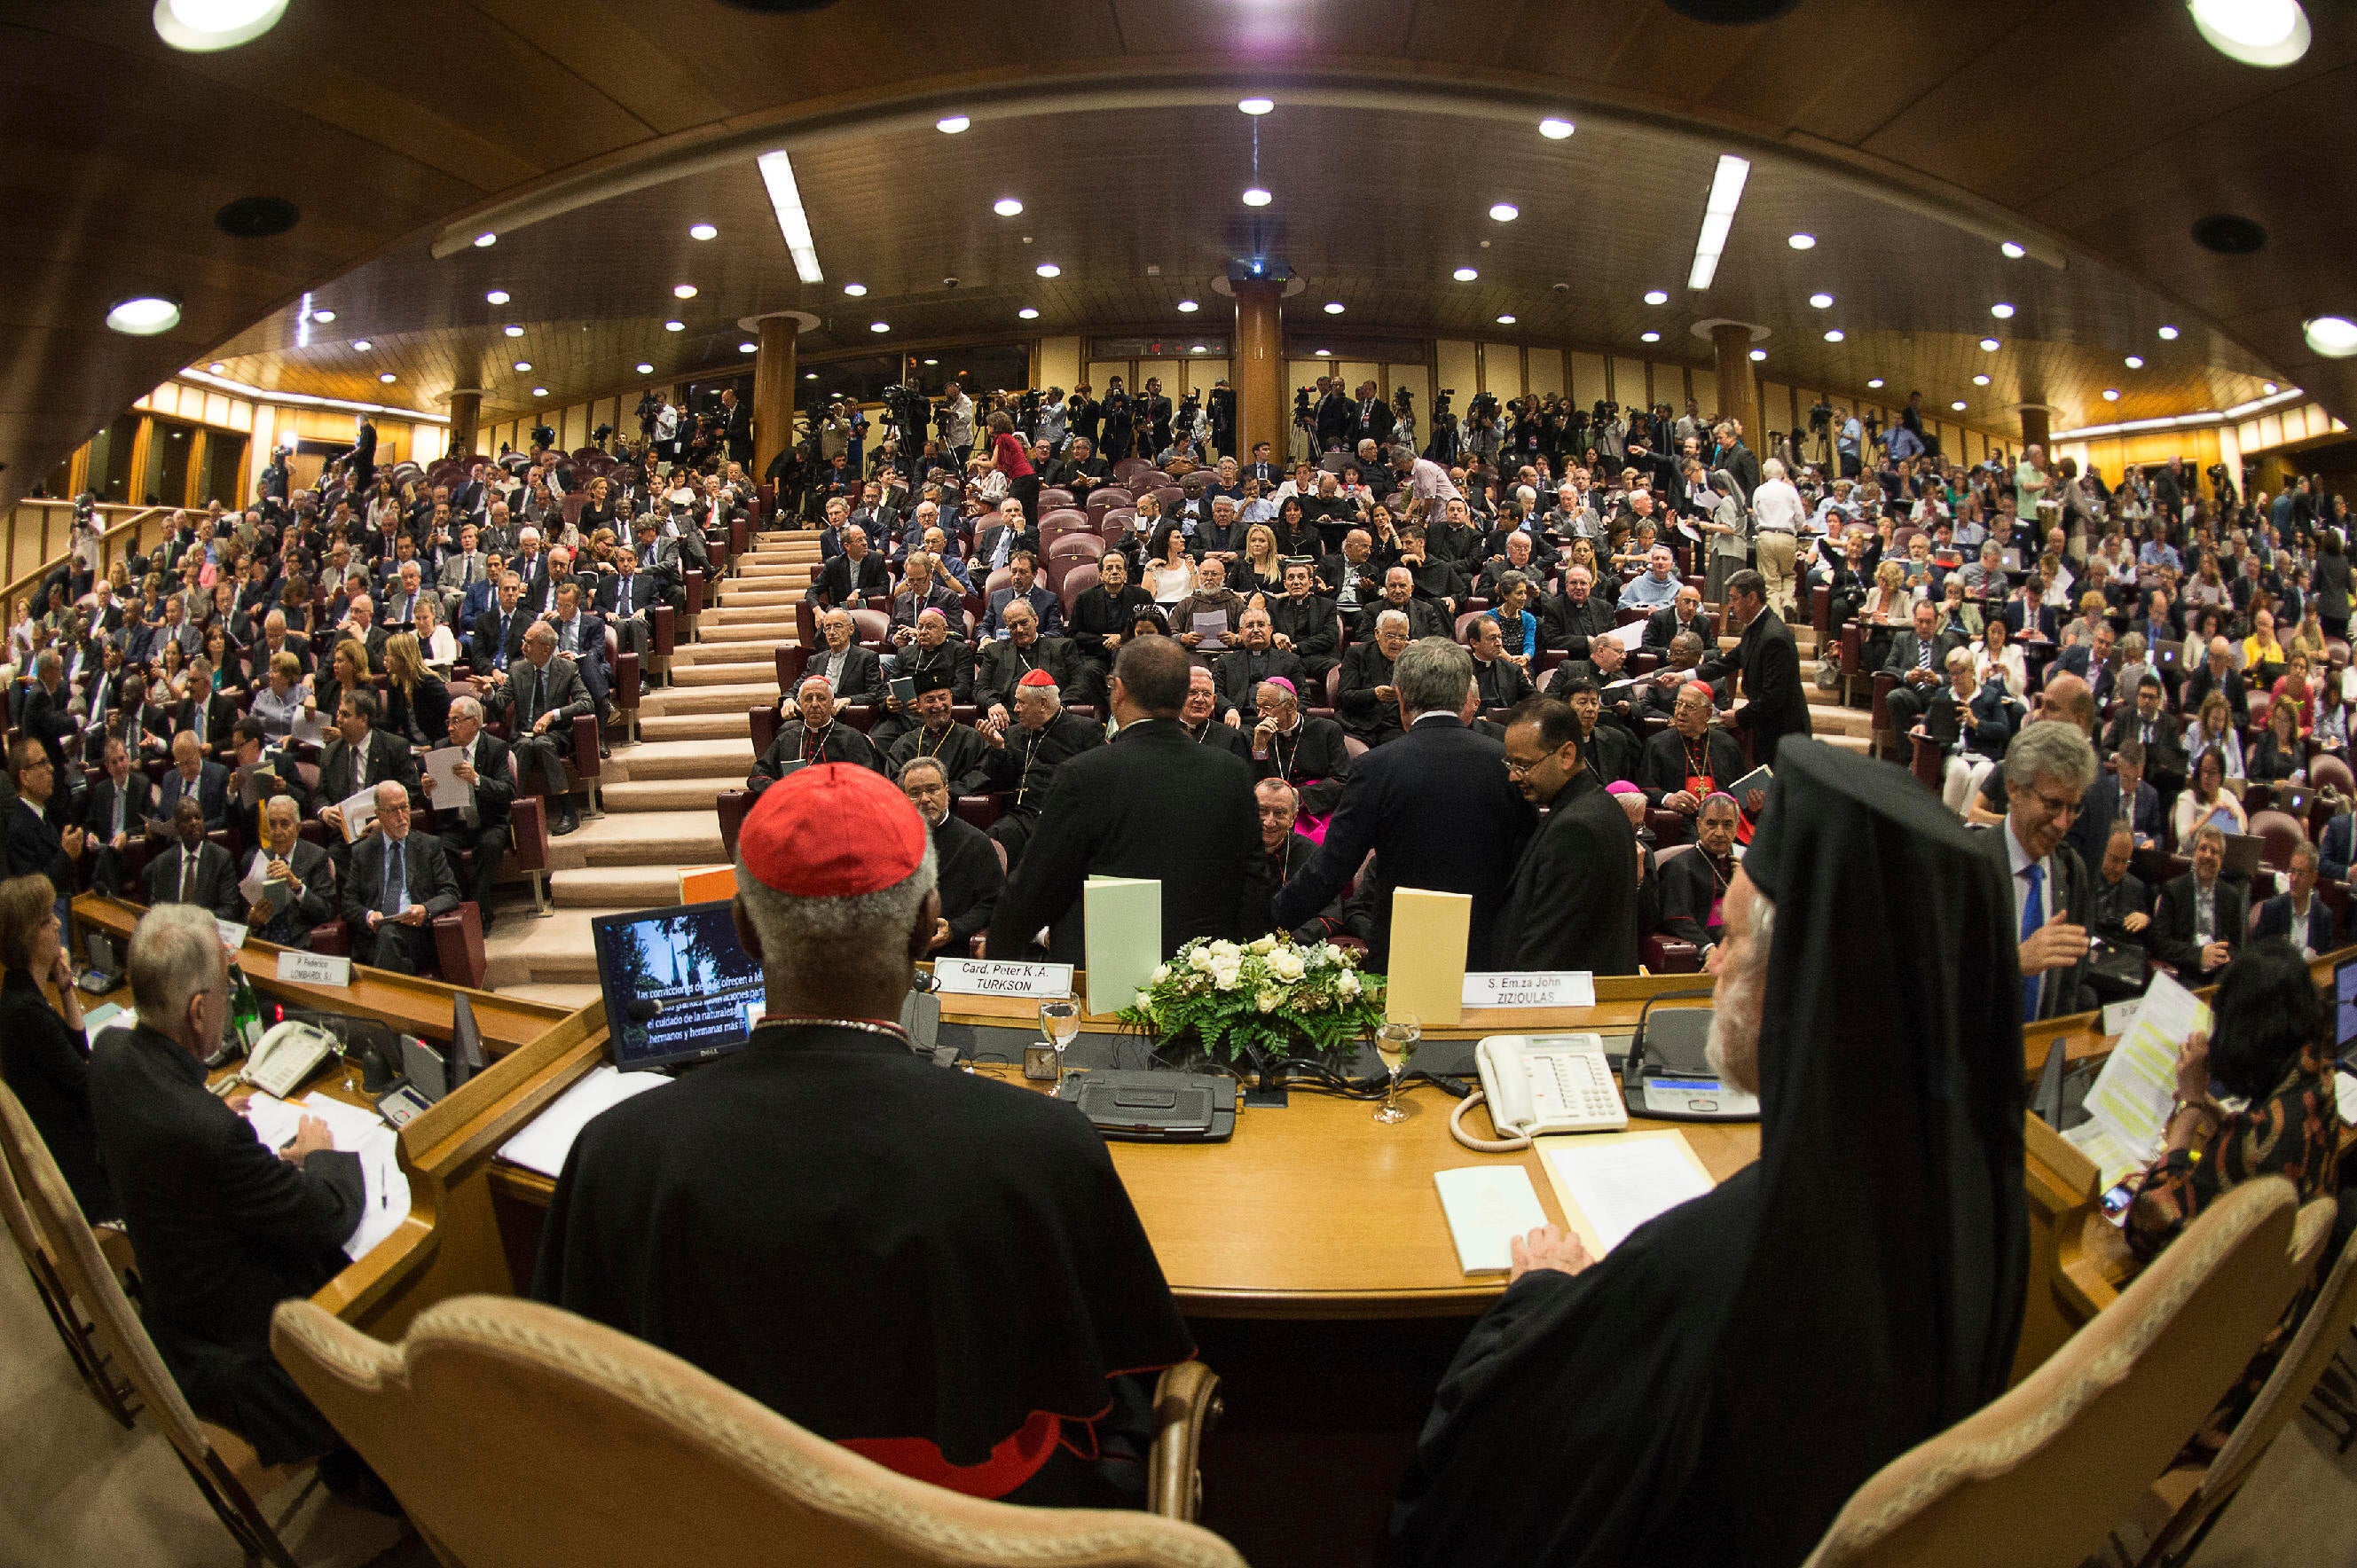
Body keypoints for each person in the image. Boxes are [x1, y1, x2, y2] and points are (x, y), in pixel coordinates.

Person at [1391, 740, 2028, 1568]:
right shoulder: (1981, 1198)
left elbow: (1498, 1463)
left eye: (1730, 939)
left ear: (1800, 983)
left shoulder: (1720, 1261)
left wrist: (1540, 1295)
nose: (1714, 963)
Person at [532, 763, 1191, 1507]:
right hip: (976, 1527)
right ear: (926, 921)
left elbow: (579, 1394)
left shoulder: (616, 1150)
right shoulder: (1046, 1145)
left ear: (742, 930)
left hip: (715, 1516)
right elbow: (1102, 1367)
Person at [88, 904, 389, 1502]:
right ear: (199, 1012)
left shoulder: (111, 1054)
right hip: (245, 1363)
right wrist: (319, 1152)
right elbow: (327, 1217)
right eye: (225, 991)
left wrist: (207, 1114)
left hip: (176, 1315)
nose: (228, 1004)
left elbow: (167, 1131)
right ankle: (380, 1470)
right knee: (373, 1281)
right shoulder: (208, 1133)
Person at [2125, 938, 2342, 1457]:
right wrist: (2220, 1115)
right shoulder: (2318, 1077)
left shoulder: (2260, 1139)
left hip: (2213, 1379)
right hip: (2269, 1323)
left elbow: (2149, 1223)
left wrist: (2190, 1106)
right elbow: (2257, 1141)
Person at [987, 638, 1259, 962]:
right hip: (1203, 970)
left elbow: (1037, 886)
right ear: (1180, 696)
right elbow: (1254, 885)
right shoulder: (1232, 773)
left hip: (1104, 965)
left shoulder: (1083, 774)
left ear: (1119, 692)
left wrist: (997, 957)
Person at [1274, 639, 1532, 970]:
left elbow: (1333, 866)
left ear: (1402, 696)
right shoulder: (1506, 762)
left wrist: (1274, 917)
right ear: (1464, 696)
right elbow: (1528, 857)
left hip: (1405, 949)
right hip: (1490, 946)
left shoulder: (1375, 767)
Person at [1495, 698, 1638, 974]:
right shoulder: (1596, 805)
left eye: (1523, 765)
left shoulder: (1576, 829)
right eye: (1510, 764)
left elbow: (1548, 948)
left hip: (1564, 995)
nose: (1513, 776)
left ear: (1566, 755)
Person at [0, 873, 114, 1221]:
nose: (58, 924)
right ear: (28, 937)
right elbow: (85, 1083)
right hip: (77, 1172)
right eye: (48, 919)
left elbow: (78, 1051)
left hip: (69, 1147)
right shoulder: (25, 1012)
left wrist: (66, 989)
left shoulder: (23, 994)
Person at [1981, 720, 2098, 1023]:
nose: (2063, 823)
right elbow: (1941, 980)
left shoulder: (2072, 871)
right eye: (2053, 805)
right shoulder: (1970, 863)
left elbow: (2068, 989)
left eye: (2073, 808)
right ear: (2014, 789)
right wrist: (2015, 962)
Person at [1681, 569, 1810, 764]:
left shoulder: (1774, 637)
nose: (1731, 605)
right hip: (1768, 727)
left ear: (1751, 598)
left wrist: (1739, 717)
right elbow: (1730, 661)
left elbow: (1774, 696)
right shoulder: (1756, 626)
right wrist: (1684, 676)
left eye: (1734, 598)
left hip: (1784, 733)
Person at [483, 622, 593, 835]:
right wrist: (488, 693)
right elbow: (499, 704)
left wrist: (553, 715)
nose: (523, 646)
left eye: (529, 642)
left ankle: (568, 811)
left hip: (556, 734)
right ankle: (512, 810)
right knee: (524, 746)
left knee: (542, 743)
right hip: (524, 734)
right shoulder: (517, 669)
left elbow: (586, 703)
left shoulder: (567, 669)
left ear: (545, 648)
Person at [342, 781, 462, 975]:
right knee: (387, 936)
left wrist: (425, 909)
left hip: (416, 935)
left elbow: (451, 893)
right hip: (375, 937)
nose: (401, 816)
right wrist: (368, 915)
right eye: (392, 810)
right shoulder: (363, 852)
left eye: (404, 808)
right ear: (378, 814)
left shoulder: (429, 846)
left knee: (389, 937)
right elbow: (348, 902)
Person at [896, 757, 1002, 956]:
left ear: (947, 791)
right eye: (915, 793)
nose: (925, 799)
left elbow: (992, 903)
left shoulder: (976, 842)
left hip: (952, 951)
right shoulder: (890, 843)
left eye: (932, 789)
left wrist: (954, 930)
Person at [2152, 822, 2249, 985]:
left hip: (2219, 971)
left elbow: (2237, 947)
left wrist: (2224, 955)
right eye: (2203, 848)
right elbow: (2161, 944)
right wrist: (2200, 955)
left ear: (2221, 860)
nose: (2208, 856)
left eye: (2214, 851)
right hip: (2184, 968)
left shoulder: (2231, 895)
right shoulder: (2173, 890)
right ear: (2194, 853)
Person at [243, 794, 338, 949]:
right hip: (264, 945)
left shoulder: (317, 857)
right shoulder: (256, 859)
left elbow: (326, 912)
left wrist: (296, 885)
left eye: (284, 824)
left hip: (301, 945)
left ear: (298, 828)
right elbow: (245, 915)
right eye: (272, 824)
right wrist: (253, 921)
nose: (277, 831)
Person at [1656, 792, 1740, 959]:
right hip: (1704, 954)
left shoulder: (1740, 867)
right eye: (1711, 824)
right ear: (1699, 825)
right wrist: (1708, 949)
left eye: (1727, 824)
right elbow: (1677, 918)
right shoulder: (1679, 867)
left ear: (1737, 826)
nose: (1719, 833)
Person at [145, 796, 243, 921]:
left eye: (198, 818)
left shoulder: (221, 859)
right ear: (177, 827)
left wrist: (194, 921)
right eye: (187, 819)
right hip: (173, 928)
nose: (194, 823)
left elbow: (229, 909)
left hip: (205, 928)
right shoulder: (163, 862)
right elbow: (155, 908)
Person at [7, 735, 84, 889]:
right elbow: (36, 890)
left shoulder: (40, 813)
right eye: (42, 763)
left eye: (48, 762)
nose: (51, 768)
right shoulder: (19, 828)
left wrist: (65, 849)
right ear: (24, 777)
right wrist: (65, 854)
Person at [2252, 842, 2337, 958]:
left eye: (2301, 874)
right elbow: (2258, 955)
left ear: (2314, 877)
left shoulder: (2323, 916)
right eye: (2292, 871)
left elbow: (2327, 959)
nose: (2294, 879)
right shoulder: (2272, 909)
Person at [2172, 747, 2247, 844]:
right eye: (2204, 771)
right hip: (2192, 852)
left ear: (2221, 775)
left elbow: (2244, 830)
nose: (2206, 776)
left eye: (2212, 772)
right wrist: (2212, 814)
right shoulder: (2187, 798)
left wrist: (2237, 819)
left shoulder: (2229, 796)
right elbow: (2184, 839)